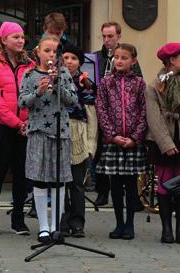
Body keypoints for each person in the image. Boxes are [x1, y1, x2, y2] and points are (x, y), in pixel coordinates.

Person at [18, 36, 77, 243]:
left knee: (59, 180)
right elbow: (22, 101)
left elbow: (73, 100)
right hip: (38, 132)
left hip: (60, 132)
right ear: (38, 53)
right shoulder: (29, 74)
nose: (52, 55)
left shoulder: (63, 73)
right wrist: (39, 91)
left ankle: (55, 227)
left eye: (54, 52)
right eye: (47, 51)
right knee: (40, 179)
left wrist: (58, 84)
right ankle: (43, 226)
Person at [146, 42, 180, 244]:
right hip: (164, 144)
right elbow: (154, 118)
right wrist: (166, 144)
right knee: (165, 184)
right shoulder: (154, 85)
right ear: (172, 60)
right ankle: (166, 229)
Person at [0, 22, 34, 235]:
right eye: (15, 37)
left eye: (22, 37)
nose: (21, 40)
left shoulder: (29, 65)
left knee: (22, 175)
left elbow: (33, 95)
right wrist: (16, 122)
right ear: (3, 40)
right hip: (2, 127)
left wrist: (27, 122)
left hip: (24, 127)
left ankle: (18, 218)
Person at [96, 43, 147, 240]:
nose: (119, 61)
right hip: (113, 141)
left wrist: (135, 137)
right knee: (115, 185)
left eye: (124, 58)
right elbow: (101, 111)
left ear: (133, 61)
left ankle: (130, 224)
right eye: (116, 57)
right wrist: (112, 135)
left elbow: (144, 112)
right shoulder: (106, 83)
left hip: (133, 142)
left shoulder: (140, 84)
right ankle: (118, 223)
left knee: (131, 185)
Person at [93, 21, 143, 207]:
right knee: (101, 153)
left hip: (125, 114)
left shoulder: (128, 56)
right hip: (103, 110)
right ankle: (102, 192)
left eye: (110, 36)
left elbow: (138, 83)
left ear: (118, 37)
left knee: (128, 159)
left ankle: (131, 196)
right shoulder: (97, 57)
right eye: (104, 36)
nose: (106, 40)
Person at [60, 43, 97, 238]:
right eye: (65, 58)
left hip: (78, 134)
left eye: (73, 58)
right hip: (58, 134)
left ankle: (78, 223)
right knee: (60, 182)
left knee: (76, 182)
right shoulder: (55, 80)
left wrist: (90, 143)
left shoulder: (86, 84)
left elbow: (91, 116)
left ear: (80, 62)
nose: (69, 62)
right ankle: (62, 222)